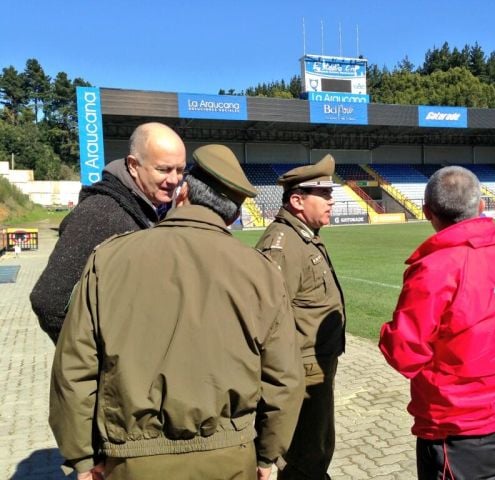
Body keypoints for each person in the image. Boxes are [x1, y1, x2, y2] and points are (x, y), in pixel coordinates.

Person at [49, 144, 304, 480]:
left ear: (182, 192)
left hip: (131, 461)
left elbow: (75, 369)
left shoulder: (109, 258)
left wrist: (81, 458)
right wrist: (269, 456)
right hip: (230, 458)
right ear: (233, 215)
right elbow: (284, 379)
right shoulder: (262, 272)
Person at [379, 166, 495, 480]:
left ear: (427, 212)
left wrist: (388, 333)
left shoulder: (434, 270)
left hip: (457, 433)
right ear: (481, 206)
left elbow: (405, 353)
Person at [30, 122, 186, 343]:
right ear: (133, 165)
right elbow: (48, 301)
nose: (174, 179)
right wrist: (95, 360)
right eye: (163, 169)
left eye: (180, 170)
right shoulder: (100, 213)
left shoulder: (160, 209)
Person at [255, 154, 346, 479]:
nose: (331, 202)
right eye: (323, 195)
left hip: (314, 369)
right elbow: (266, 319)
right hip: (301, 375)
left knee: (317, 449)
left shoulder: (303, 236)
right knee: (306, 456)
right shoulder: (282, 245)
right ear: (296, 200)